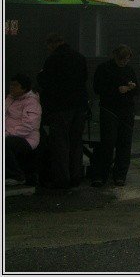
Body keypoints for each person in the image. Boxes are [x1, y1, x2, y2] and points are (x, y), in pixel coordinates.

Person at [36, 33, 88, 188]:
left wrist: (40, 75)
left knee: (60, 143)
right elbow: (84, 78)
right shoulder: (79, 57)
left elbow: (45, 81)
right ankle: (76, 176)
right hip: (79, 106)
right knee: (76, 141)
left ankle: (62, 179)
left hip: (60, 106)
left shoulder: (53, 59)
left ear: (52, 44)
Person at [90, 45, 139, 187]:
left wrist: (132, 88)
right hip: (110, 109)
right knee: (107, 143)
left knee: (124, 143)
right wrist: (117, 89)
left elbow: (138, 90)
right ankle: (101, 174)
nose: (124, 62)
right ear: (115, 56)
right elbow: (97, 88)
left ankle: (119, 175)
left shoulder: (129, 70)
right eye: (122, 59)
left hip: (126, 109)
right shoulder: (104, 69)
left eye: (127, 59)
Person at [5, 73, 42, 185]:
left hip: (27, 138)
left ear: (24, 87)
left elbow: (29, 126)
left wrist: (8, 133)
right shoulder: (9, 99)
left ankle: (16, 175)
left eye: (15, 85)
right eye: (11, 85)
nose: (11, 88)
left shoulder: (32, 102)